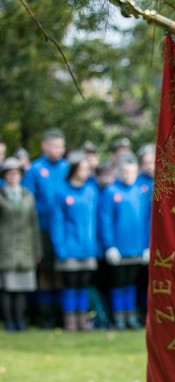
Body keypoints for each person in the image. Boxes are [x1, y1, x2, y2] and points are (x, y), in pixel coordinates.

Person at [98, 153, 151, 330]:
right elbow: (105, 221)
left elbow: (146, 220)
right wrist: (109, 246)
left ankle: (131, 316)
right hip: (118, 249)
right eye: (125, 172)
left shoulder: (142, 191)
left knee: (131, 284)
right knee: (118, 284)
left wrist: (147, 246)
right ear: (119, 172)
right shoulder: (110, 191)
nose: (129, 175)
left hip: (137, 248)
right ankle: (119, 317)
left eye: (132, 172)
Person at [22, 128, 68, 328]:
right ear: (44, 146)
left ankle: (60, 315)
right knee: (45, 272)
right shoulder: (35, 169)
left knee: (60, 271)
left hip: (65, 230)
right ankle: (44, 316)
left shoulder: (67, 167)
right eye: (55, 146)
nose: (58, 150)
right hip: (43, 229)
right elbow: (27, 201)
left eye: (61, 146)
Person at [50, 150, 100, 331]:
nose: (86, 172)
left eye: (88, 168)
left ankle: (83, 319)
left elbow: (96, 220)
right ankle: (70, 321)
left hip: (87, 248)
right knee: (70, 285)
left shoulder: (91, 191)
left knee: (84, 285)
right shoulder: (62, 192)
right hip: (69, 248)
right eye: (83, 168)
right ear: (74, 169)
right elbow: (57, 223)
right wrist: (60, 248)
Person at [0, 158, 41, 331]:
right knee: (7, 287)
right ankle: (9, 321)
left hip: (25, 246)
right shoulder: (1, 195)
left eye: (16, 173)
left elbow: (34, 224)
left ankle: (20, 320)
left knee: (22, 287)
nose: (13, 177)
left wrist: (37, 249)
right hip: (5, 247)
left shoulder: (27, 195)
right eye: (9, 174)